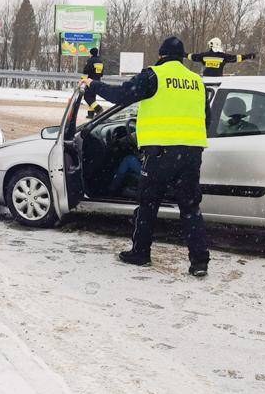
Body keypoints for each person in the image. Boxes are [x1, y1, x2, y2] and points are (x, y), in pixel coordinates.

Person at [83, 36, 210, 276]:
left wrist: (94, 85)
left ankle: (140, 253)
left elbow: (122, 95)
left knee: (148, 205)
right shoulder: (196, 81)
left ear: (161, 55)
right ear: (182, 58)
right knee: (190, 208)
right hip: (192, 154)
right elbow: (207, 118)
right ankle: (199, 262)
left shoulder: (154, 76)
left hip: (160, 154)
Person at [188, 37, 256, 77]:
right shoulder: (223, 56)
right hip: (218, 80)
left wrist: (184, 54)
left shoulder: (204, 55)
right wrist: (248, 56)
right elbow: (235, 58)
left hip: (205, 79)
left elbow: (193, 57)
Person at [82, 47, 105, 119]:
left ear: (91, 53)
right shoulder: (100, 61)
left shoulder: (90, 60)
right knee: (92, 97)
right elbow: (101, 73)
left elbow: (86, 71)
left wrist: (83, 80)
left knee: (87, 97)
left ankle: (98, 109)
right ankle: (91, 114)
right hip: (97, 81)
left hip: (90, 81)